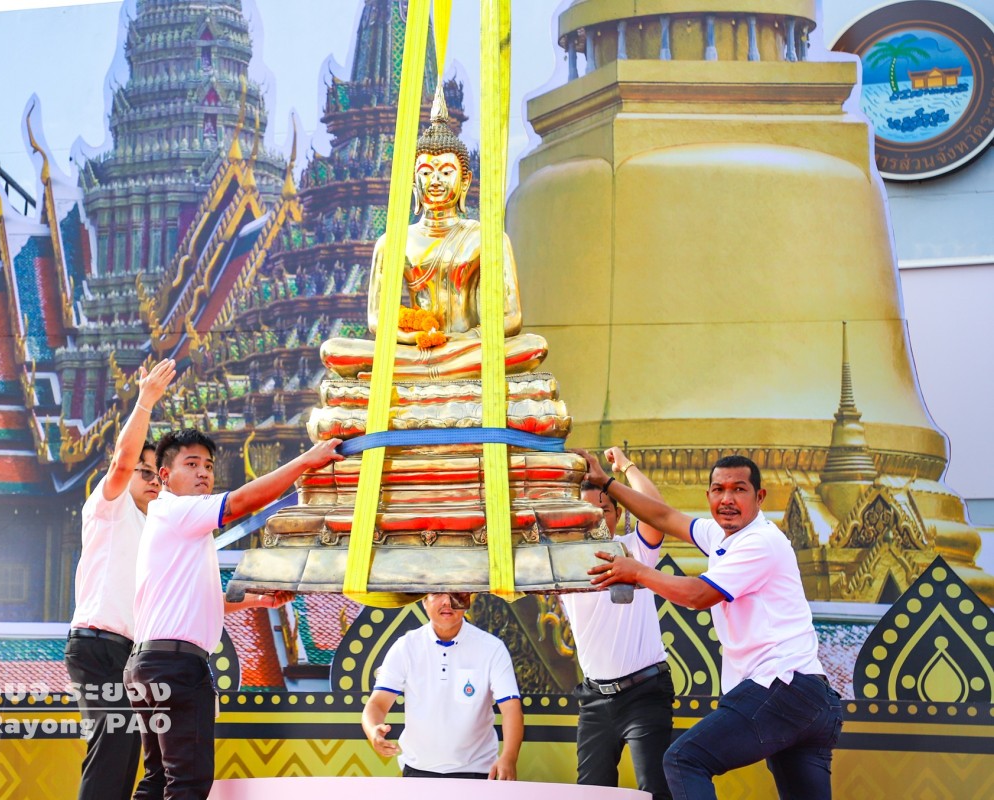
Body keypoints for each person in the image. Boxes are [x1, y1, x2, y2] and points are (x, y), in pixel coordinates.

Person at [581, 452, 844, 800]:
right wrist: (607, 481)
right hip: (811, 702)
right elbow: (663, 516)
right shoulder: (720, 536)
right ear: (708, 496)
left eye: (739, 489)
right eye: (719, 490)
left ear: (760, 497)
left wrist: (638, 572)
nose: (727, 499)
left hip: (781, 687)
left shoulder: (760, 541)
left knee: (683, 759)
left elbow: (698, 595)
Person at [125, 429, 344, 800]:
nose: (203, 473)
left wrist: (256, 601)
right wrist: (307, 461)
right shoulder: (179, 511)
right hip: (176, 667)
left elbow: (197, 602)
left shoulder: (170, 521)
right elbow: (240, 502)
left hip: (148, 664)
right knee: (187, 783)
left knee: (158, 780)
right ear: (165, 475)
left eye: (208, 466)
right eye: (191, 464)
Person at [319, 83, 547, 380]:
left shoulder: (488, 238)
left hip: (468, 345)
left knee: (533, 347)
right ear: (414, 182)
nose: (436, 180)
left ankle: (427, 374)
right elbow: (377, 320)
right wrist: (415, 338)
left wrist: (460, 340)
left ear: (465, 181)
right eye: (426, 172)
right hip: (417, 350)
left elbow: (511, 317)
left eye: (446, 172)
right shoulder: (393, 243)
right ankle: (439, 372)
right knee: (334, 351)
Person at [65, 358, 175, 800]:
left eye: (158, 475)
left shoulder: (155, 531)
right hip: (97, 645)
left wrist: (253, 602)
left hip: (132, 656)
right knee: (112, 747)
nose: (152, 481)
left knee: (128, 755)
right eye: (144, 472)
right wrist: (145, 400)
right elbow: (120, 464)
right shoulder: (109, 505)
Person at [562, 447, 673, 800]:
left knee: (656, 791)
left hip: (645, 694)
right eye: (587, 512)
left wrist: (624, 468)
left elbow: (657, 511)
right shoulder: (561, 562)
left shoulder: (635, 551)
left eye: (605, 510)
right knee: (591, 794)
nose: (596, 519)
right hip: (595, 699)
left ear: (619, 512)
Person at [361, 592, 524, 780]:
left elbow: (511, 709)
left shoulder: (492, 648)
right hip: (417, 771)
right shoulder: (405, 647)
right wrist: (373, 731)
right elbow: (377, 704)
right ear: (423, 601)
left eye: (456, 593)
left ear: (467, 600)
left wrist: (509, 757)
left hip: (478, 772)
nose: (447, 601)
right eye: (438, 593)